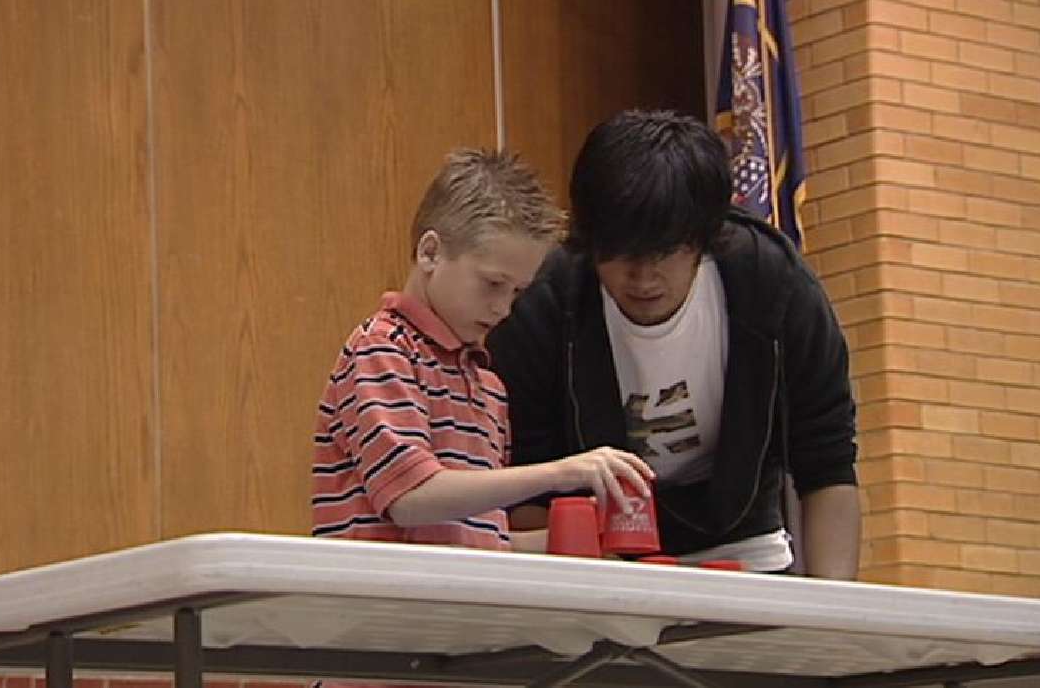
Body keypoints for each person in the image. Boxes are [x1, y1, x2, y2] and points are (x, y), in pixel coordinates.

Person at [487, 110, 860, 579]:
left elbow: (827, 463)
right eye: (621, 254)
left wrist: (832, 617)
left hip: (745, 546)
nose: (643, 278)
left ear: (705, 239)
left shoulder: (773, 284)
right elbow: (527, 472)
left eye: (664, 253)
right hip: (598, 559)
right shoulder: (546, 302)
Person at [311, 148, 654, 557]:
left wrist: (580, 536)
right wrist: (559, 472)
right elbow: (409, 497)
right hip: (381, 612)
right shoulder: (383, 349)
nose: (504, 309)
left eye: (517, 292)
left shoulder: (487, 384)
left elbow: (480, 536)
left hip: (459, 609)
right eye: (493, 284)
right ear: (431, 253)